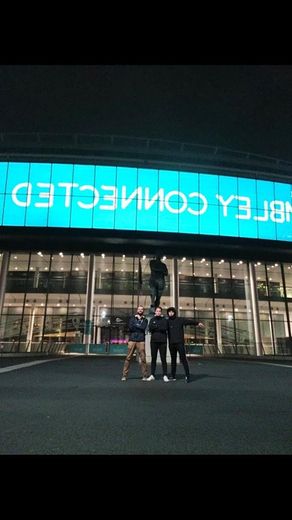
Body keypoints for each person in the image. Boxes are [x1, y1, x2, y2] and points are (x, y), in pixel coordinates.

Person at [166, 306, 204, 383]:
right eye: (169, 312)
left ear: (174, 313)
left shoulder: (180, 320)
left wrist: (197, 323)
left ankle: (187, 375)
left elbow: (189, 321)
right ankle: (173, 376)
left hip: (180, 343)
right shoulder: (167, 321)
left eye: (172, 312)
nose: (171, 313)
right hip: (171, 344)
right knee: (173, 360)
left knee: (183, 359)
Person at [121, 305, 148, 381]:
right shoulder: (132, 318)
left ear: (143, 311)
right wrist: (138, 325)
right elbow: (131, 327)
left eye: (141, 309)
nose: (140, 310)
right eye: (139, 309)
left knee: (143, 358)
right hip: (132, 340)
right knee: (128, 358)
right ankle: (124, 375)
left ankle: (145, 376)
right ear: (137, 310)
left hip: (141, 340)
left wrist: (136, 325)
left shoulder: (145, 320)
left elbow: (143, 327)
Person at [147, 306, 169, 382]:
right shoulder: (152, 320)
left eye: (159, 311)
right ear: (155, 312)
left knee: (163, 359)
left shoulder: (164, 320)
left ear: (161, 312)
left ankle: (165, 375)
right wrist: (158, 327)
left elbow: (165, 328)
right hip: (153, 342)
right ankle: (152, 374)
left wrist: (156, 327)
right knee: (153, 359)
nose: (158, 312)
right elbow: (150, 328)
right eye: (157, 311)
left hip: (162, 342)